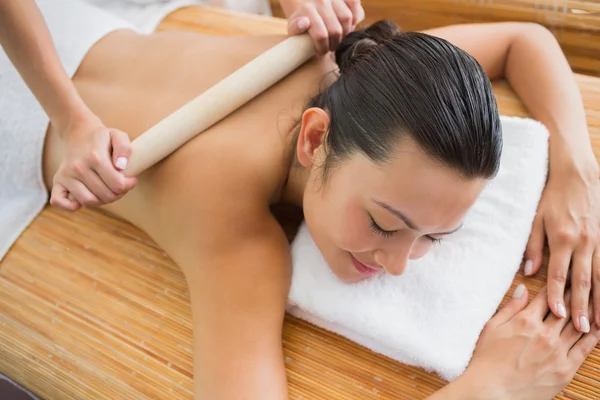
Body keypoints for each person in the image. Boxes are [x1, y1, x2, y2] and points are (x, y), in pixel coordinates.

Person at [1, 0, 599, 398]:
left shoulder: (364, 82)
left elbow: (527, 38)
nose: (396, 263)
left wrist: (576, 170)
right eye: (385, 223)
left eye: (432, 238)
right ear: (315, 138)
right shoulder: (234, 234)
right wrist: (487, 388)